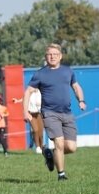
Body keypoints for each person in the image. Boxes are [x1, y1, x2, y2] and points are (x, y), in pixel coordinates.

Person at [23, 43, 86, 181]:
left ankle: (50, 154)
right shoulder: (40, 74)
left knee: (71, 147)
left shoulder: (67, 71)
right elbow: (28, 92)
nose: (52, 57)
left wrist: (81, 100)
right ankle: (61, 175)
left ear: (60, 56)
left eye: (55, 55)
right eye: (49, 55)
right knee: (59, 142)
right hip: (49, 113)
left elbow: (76, 86)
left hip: (67, 113)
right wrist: (25, 111)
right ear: (46, 57)